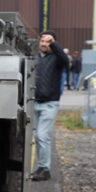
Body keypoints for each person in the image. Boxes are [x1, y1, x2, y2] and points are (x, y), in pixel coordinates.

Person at [32, 31, 69, 181]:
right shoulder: (33, 58)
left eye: (48, 41)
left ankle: (45, 169)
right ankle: (41, 167)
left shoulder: (57, 59)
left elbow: (65, 60)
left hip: (49, 104)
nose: (44, 44)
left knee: (42, 136)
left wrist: (54, 43)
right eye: (43, 41)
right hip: (34, 103)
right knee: (37, 136)